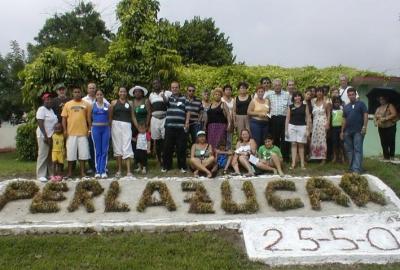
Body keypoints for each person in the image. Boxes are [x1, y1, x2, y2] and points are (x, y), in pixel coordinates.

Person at [61, 87, 91, 179]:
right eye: (75, 92)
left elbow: (89, 118)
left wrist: (89, 129)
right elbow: (64, 119)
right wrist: (65, 130)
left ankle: (83, 173)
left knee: (83, 154)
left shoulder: (87, 104)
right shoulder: (67, 104)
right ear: (72, 94)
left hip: (83, 133)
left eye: (78, 92)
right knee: (70, 154)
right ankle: (69, 173)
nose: (77, 93)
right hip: (71, 133)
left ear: (81, 93)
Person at [161, 81, 190, 173]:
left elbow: (188, 111)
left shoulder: (184, 99)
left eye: (176, 87)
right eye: (172, 87)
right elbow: (165, 102)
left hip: (181, 127)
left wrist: (187, 122)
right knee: (167, 147)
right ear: (171, 89)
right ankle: (166, 166)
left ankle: (182, 166)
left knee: (181, 147)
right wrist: (163, 96)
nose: (174, 89)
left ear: (179, 88)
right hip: (169, 126)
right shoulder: (168, 98)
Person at [83, 82, 110, 175]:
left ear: (103, 95)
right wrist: (90, 128)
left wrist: (108, 126)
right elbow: (88, 117)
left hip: (105, 129)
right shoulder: (91, 105)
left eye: (100, 94)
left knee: (104, 150)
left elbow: (110, 116)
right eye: (98, 94)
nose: (99, 96)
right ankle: (98, 170)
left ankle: (103, 170)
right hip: (95, 129)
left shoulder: (107, 104)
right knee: (97, 150)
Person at [340, 87, 368, 174]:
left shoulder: (361, 104)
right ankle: (352, 168)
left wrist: (364, 127)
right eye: (349, 95)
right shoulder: (346, 107)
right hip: (347, 131)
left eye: (353, 94)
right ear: (348, 96)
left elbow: (365, 115)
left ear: (355, 95)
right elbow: (344, 119)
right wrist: (342, 131)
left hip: (358, 131)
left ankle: (356, 169)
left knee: (358, 149)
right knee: (349, 150)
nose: (351, 96)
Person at [109, 87, 134, 178]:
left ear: (126, 93)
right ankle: (119, 170)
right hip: (116, 125)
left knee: (127, 146)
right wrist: (109, 127)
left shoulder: (130, 103)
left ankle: (128, 171)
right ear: (118, 93)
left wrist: (138, 127)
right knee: (117, 147)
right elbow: (110, 117)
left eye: (124, 91)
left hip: (127, 125)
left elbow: (133, 117)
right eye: (121, 91)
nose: (122, 93)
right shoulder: (113, 102)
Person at [265, 79, 290, 161]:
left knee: (284, 138)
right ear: (273, 86)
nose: (277, 87)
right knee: (274, 138)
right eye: (275, 85)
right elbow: (263, 103)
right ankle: (274, 156)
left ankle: (285, 157)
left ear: (281, 86)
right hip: (273, 119)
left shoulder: (286, 94)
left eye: (279, 85)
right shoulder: (269, 94)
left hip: (284, 118)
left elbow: (289, 107)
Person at [285, 91, 311, 169]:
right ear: (293, 98)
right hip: (292, 126)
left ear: (301, 97)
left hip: (302, 127)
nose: (297, 98)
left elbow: (308, 118)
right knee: (293, 144)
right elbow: (287, 118)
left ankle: (302, 164)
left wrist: (308, 129)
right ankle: (293, 164)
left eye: (299, 96)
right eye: (295, 96)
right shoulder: (290, 106)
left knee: (301, 145)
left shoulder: (305, 106)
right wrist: (286, 130)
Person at [36, 93, 58, 182]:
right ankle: (40, 175)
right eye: (47, 99)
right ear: (43, 100)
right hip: (43, 136)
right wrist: (45, 136)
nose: (49, 101)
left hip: (51, 136)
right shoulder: (42, 109)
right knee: (43, 155)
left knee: (50, 156)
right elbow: (40, 122)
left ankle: (50, 174)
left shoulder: (51, 110)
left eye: (50, 99)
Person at [149, 79, 170, 166]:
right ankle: (159, 160)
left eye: (157, 83)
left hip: (164, 118)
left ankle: (165, 159)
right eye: (154, 83)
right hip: (154, 119)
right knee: (157, 141)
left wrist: (163, 96)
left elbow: (168, 103)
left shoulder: (167, 93)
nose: (156, 84)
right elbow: (150, 107)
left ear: (161, 84)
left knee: (166, 140)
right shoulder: (151, 95)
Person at [309, 87, 330, 163]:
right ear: (316, 93)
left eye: (321, 91)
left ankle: (323, 158)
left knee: (322, 140)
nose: (319, 93)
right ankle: (314, 156)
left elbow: (328, 114)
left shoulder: (326, 102)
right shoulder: (313, 101)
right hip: (315, 123)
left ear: (323, 93)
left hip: (322, 123)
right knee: (314, 139)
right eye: (318, 91)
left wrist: (327, 123)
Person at [374, 95, 398, 160]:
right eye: (380, 99)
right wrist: (376, 121)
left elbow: (394, 114)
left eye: (382, 99)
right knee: (383, 142)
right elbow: (375, 116)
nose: (381, 100)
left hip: (390, 126)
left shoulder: (390, 105)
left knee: (391, 141)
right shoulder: (378, 108)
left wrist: (385, 118)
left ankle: (392, 156)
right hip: (381, 127)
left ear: (386, 99)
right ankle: (386, 156)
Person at [331, 96, 345, 163]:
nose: (336, 103)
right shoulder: (331, 110)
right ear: (333, 103)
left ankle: (342, 157)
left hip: (341, 128)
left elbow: (344, 119)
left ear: (340, 103)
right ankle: (335, 157)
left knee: (341, 143)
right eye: (335, 102)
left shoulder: (342, 109)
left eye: (338, 102)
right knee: (334, 143)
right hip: (333, 129)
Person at [221, 84, 234, 149]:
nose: (228, 91)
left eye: (229, 90)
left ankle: (229, 151)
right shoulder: (221, 99)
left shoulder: (233, 100)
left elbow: (234, 111)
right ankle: (222, 152)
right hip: (222, 120)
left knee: (229, 137)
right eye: (226, 89)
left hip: (231, 120)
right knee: (222, 137)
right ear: (224, 91)